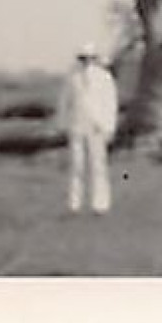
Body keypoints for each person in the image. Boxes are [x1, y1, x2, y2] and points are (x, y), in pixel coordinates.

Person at [55, 42, 119, 215]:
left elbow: (110, 104)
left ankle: (100, 204)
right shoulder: (72, 78)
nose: (86, 62)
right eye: (83, 59)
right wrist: (61, 124)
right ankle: (74, 204)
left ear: (95, 59)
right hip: (77, 124)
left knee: (98, 165)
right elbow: (64, 102)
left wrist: (109, 126)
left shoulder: (104, 78)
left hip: (97, 126)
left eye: (89, 58)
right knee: (76, 165)